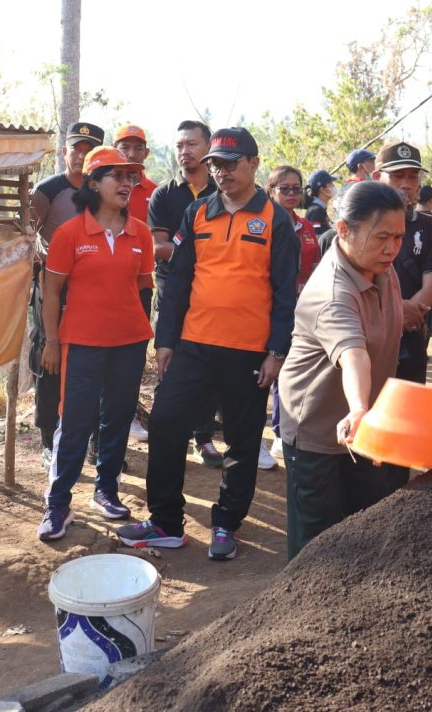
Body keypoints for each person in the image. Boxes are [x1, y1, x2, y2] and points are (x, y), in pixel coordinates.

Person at [117, 127, 298, 561]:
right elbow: (177, 281)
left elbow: (285, 292)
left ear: (254, 164)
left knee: (242, 440)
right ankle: (165, 522)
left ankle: (226, 524)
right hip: (194, 346)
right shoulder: (197, 214)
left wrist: (276, 351)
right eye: (215, 164)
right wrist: (166, 341)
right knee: (165, 423)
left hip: (249, 352)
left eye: (231, 163)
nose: (222, 172)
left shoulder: (277, 220)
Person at [278, 181, 406, 559]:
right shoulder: (332, 291)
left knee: (364, 523)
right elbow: (354, 354)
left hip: (363, 422)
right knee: (317, 541)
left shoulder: (383, 268)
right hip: (318, 427)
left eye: (399, 236)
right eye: (383, 236)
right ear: (345, 230)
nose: (393, 248)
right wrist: (358, 408)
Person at [36, 147, 156, 540]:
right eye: (116, 176)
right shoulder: (70, 234)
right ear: (92, 183)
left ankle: (106, 490)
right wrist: (52, 341)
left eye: (130, 177)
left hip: (129, 343)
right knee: (74, 422)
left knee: (118, 417)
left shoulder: (140, 233)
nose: (127, 183)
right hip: (82, 342)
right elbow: (52, 292)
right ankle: (58, 505)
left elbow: (141, 287)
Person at [146, 120, 223, 467]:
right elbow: (156, 246)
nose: (184, 152)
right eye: (179, 146)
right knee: (168, 359)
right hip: (172, 291)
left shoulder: (221, 194)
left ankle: (203, 437)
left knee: (209, 363)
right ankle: (165, 433)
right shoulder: (164, 194)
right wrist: (194, 253)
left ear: (209, 147)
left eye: (191, 144)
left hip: (212, 294)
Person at [29, 121, 104, 468]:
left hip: (94, 292)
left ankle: (92, 438)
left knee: (92, 363)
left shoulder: (102, 191)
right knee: (49, 360)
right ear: (64, 151)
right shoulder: (48, 190)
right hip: (52, 289)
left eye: (88, 150)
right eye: (75, 148)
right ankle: (48, 440)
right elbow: (26, 235)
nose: (80, 155)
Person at [374, 141, 432, 385]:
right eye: (397, 176)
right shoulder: (360, 224)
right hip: (368, 334)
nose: (406, 184)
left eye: (412, 176)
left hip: (412, 334)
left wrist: (404, 319)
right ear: (377, 177)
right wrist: (392, 317)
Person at [265, 165, 322, 462]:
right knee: (274, 367)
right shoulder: (263, 225)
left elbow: (316, 268)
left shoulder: (307, 227)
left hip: (304, 309)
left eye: (296, 189)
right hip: (271, 308)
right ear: (270, 192)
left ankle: (292, 430)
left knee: (296, 370)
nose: (290, 193)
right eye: (283, 188)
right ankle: (276, 433)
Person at [111, 123, 156, 443]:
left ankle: (128, 416)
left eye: (137, 147)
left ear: (146, 153)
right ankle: (104, 423)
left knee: (132, 355)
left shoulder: (156, 192)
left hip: (140, 283)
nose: (130, 153)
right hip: (103, 283)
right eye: (124, 147)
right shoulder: (104, 187)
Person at [304, 169, 336, 236]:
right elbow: (317, 237)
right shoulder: (316, 211)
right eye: (331, 184)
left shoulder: (319, 208)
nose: (333, 186)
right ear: (322, 189)